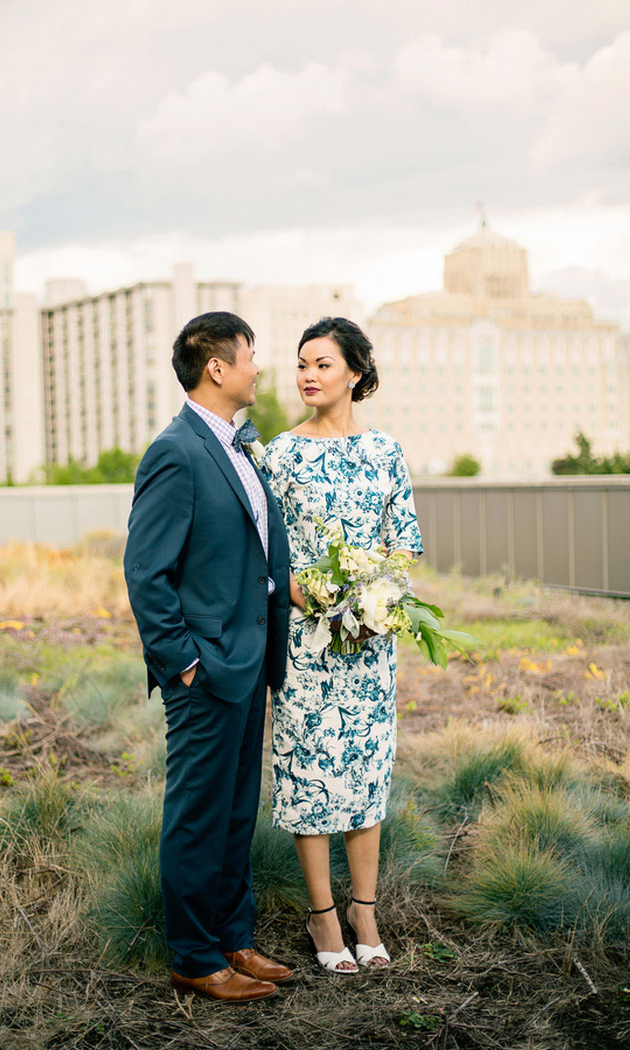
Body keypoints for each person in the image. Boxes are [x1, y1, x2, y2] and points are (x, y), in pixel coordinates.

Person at [123, 312, 292, 1002]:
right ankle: (194, 956)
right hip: (206, 670)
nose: (258, 366)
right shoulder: (177, 451)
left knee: (233, 812)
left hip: (247, 663)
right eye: (250, 355)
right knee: (197, 814)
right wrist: (184, 662)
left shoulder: (238, 446)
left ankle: (232, 938)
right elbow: (145, 571)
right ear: (216, 368)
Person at [260, 317, 423, 974]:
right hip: (306, 643)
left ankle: (366, 910)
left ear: (355, 372)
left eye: (322, 364)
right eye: (301, 363)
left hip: (370, 641)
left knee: (363, 770)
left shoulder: (386, 452)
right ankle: (324, 916)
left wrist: (372, 597)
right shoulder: (278, 454)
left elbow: (405, 541)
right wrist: (308, 596)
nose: (308, 375)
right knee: (310, 773)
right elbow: (262, 551)